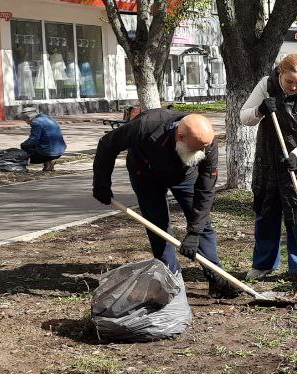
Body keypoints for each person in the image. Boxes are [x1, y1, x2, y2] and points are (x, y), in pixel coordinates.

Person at [92, 109, 237, 298]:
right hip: (145, 173)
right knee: (158, 225)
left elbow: (206, 189)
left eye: (203, 149)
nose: (201, 152)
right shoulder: (145, 126)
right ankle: (172, 280)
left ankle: (217, 278)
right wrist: (101, 184)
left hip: (184, 175)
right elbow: (107, 145)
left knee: (203, 224)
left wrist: (194, 231)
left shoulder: (206, 143)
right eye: (196, 149)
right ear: (180, 136)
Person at [239, 54, 297, 287]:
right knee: (266, 214)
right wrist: (260, 110)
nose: (294, 87)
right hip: (268, 163)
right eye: (289, 82)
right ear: (280, 74)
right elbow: (244, 117)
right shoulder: (266, 86)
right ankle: (263, 264)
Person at [17, 107, 66, 172]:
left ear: (29, 117)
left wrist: (23, 145)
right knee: (41, 142)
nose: (27, 123)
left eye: (25, 120)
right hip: (60, 151)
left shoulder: (36, 122)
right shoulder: (48, 118)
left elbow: (33, 140)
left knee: (24, 149)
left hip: (48, 153)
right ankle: (49, 162)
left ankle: (23, 168)